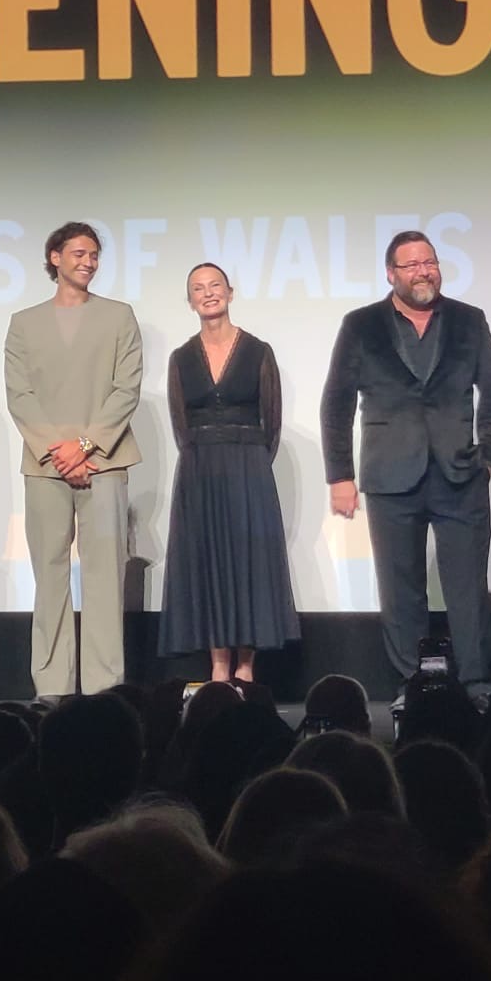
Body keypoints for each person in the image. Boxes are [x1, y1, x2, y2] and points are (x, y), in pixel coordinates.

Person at [321, 231, 491, 703]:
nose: (424, 271)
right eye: (412, 265)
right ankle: (412, 683)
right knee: (400, 588)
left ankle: (475, 684)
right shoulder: (361, 324)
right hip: (390, 474)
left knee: (467, 587)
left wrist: (490, 455)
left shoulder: (468, 320)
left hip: (459, 473)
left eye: (430, 262)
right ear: (391, 274)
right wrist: (340, 475)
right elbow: (337, 402)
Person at [4, 221, 144, 700]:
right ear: (55, 257)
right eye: (79, 253)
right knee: (50, 576)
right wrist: (59, 451)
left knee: (105, 578)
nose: (88, 262)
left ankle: (105, 687)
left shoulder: (119, 316)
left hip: (105, 461)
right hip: (45, 465)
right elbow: (20, 395)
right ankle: (51, 685)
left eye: (94, 254)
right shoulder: (24, 323)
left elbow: (127, 388)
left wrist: (84, 446)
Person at [158, 262, 299, 683]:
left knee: (247, 559)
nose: (208, 293)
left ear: (230, 293)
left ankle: (246, 667)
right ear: (190, 301)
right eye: (198, 289)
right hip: (200, 468)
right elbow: (181, 423)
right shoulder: (181, 357)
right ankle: (218, 665)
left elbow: (271, 421)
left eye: (215, 285)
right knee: (209, 560)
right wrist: (202, 458)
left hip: (248, 465)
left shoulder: (258, 351)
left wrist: (251, 462)